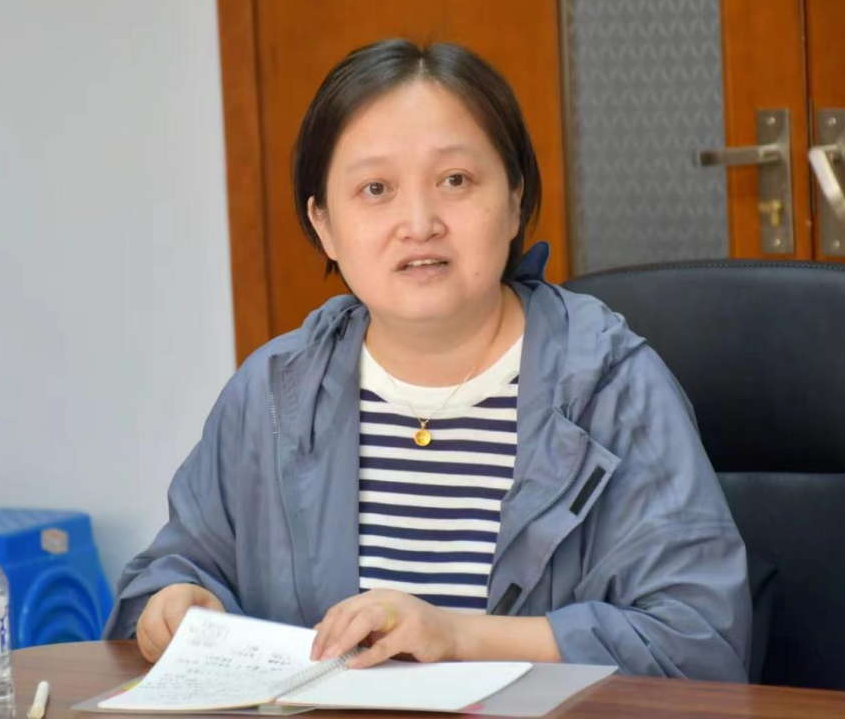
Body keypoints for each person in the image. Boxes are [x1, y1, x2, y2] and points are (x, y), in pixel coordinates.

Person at [105, 39, 751, 681]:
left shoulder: (611, 388)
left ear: (515, 199)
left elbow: (698, 643)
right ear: (324, 224)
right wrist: (174, 604)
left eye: (455, 181)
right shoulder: (276, 395)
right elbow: (170, 574)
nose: (418, 222)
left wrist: (459, 635)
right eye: (375, 188)